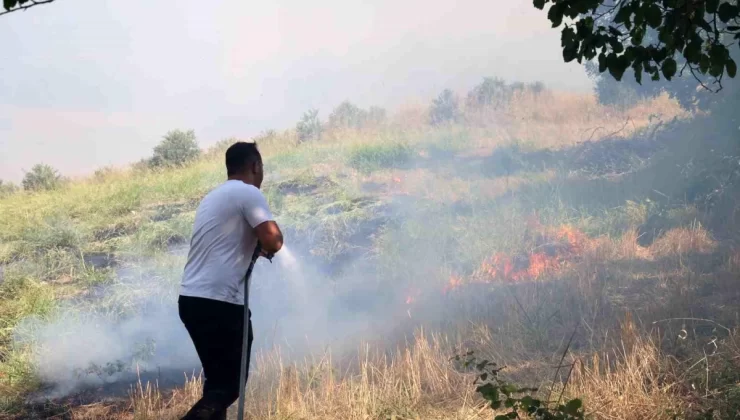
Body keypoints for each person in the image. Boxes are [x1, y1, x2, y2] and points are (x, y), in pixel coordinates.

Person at [178, 141, 283, 420]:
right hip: (220, 304)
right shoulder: (248, 193)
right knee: (229, 386)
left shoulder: (214, 196)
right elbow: (273, 239)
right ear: (255, 166)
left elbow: (226, 246)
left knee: (216, 385)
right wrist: (269, 246)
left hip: (191, 301)